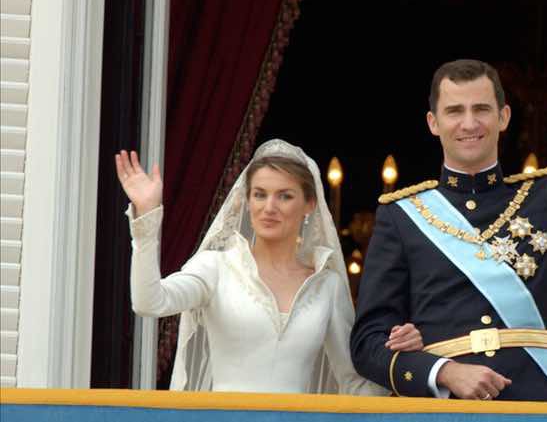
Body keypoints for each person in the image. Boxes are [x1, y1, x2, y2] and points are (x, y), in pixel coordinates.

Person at [350, 17, 547, 402]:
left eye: (481, 109)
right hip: (443, 409)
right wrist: (444, 371)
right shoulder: (402, 216)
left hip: (535, 401)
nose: (469, 123)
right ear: (433, 124)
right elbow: (368, 344)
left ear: (503, 117)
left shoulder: (546, 197)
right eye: (455, 111)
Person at [116, 139, 423, 393]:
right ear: (247, 202)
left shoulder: (326, 284)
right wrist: (146, 219)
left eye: (285, 196)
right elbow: (149, 302)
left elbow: (353, 382)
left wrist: (401, 364)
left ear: (309, 205)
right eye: (259, 195)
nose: (269, 207)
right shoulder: (216, 267)